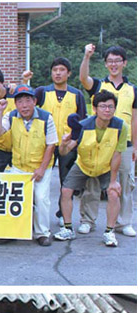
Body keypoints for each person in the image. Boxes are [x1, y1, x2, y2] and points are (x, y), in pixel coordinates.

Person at [54, 90, 127, 248]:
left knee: (114, 193)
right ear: (94, 109)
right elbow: (65, 152)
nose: (107, 110)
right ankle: (67, 228)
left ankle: (109, 231)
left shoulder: (121, 126)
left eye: (110, 107)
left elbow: (117, 155)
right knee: (66, 190)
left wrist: (114, 181)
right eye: (103, 106)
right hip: (84, 164)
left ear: (115, 109)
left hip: (106, 166)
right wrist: (64, 143)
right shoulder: (83, 126)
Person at [79, 43, 136, 237]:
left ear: (124, 63)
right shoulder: (98, 86)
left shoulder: (132, 89)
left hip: (124, 144)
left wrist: (135, 146)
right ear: (105, 64)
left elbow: (135, 119)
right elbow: (83, 78)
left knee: (125, 184)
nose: (113, 64)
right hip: (98, 142)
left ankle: (124, 222)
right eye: (110, 61)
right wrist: (87, 56)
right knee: (92, 183)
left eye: (117, 61)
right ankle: (88, 220)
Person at [23, 58, 87, 225]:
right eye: (55, 70)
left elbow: (81, 122)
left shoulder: (76, 95)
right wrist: (24, 80)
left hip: (67, 144)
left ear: (69, 73)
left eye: (62, 70)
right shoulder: (42, 92)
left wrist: (76, 143)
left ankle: (61, 214)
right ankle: (34, 213)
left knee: (66, 181)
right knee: (39, 178)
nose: (58, 73)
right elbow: (26, 106)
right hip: (44, 145)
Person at [0, 84, 57, 246]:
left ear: (34, 101)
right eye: (20, 101)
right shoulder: (11, 116)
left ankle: (42, 233)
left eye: (28, 100)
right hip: (18, 166)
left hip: (40, 166)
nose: (24, 105)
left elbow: (51, 145)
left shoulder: (46, 117)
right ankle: (11, 231)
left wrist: (42, 168)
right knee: (11, 198)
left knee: (41, 198)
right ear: (15, 104)